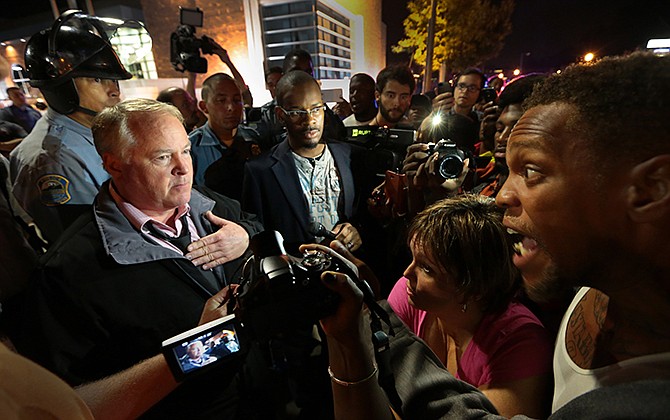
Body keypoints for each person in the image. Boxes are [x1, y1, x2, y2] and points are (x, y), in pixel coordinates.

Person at [315, 51, 670, 419]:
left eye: (531, 170)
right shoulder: (592, 289)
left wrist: (374, 320)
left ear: (650, 190)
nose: (501, 195)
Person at [4, 98, 265, 419]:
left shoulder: (208, 204)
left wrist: (244, 234)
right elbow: (70, 402)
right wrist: (201, 347)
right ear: (114, 165)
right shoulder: (70, 271)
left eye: (185, 150)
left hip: (255, 396)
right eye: (162, 157)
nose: (184, 168)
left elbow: (256, 224)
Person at [386, 195, 552, 418]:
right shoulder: (408, 293)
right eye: (413, 258)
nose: (407, 273)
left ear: (474, 287)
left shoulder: (521, 345)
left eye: (427, 269)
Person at [8, 11, 132, 243]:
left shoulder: (95, 133)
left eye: (113, 79)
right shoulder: (54, 160)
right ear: (61, 87)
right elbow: (87, 242)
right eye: (97, 79)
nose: (115, 90)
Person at [242, 70, 362, 256]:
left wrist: (356, 231)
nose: (309, 120)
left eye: (316, 109)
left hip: (346, 270)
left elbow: (363, 215)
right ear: (281, 115)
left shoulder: (349, 156)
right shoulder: (260, 171)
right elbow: (258, 237)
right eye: (297, 112)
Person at [189, 73, 261, 202]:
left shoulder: (252, 137)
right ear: (204, 107)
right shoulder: (192, 147)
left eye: (236, 100)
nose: (231, 107)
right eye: (221, 101)